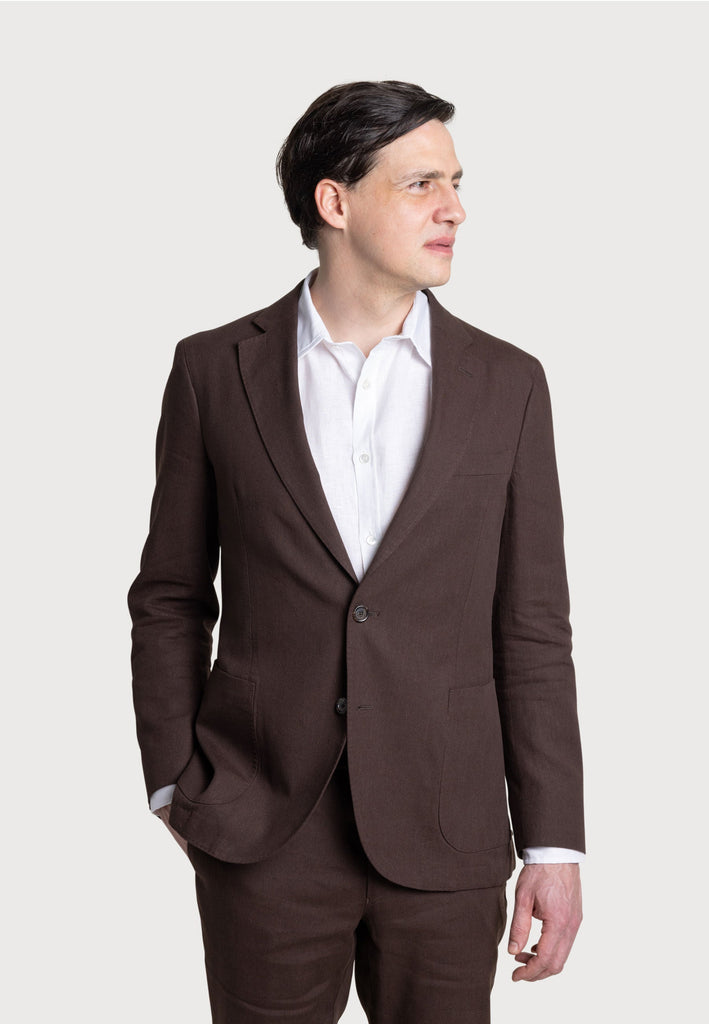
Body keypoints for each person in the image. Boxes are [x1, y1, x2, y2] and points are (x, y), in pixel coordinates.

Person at [128, 80, 584, 1024]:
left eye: (455, 182)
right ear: (334, 202)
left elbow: (533, 630)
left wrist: (552, 845)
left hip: (446, 832)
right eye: (421, 184)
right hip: (261, 828)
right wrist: (174, 781)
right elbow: (170, 595)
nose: (454, 209)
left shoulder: (508, 383)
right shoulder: (214, 370)